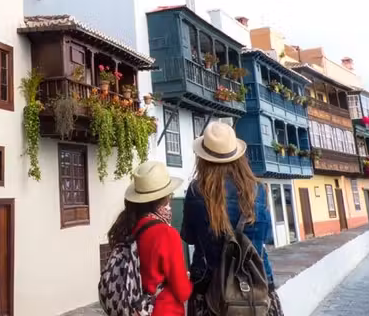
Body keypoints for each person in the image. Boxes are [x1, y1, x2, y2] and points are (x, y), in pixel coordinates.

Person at [181, 121, 284, 315]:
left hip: (210, 290)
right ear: (238, 157)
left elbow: (189, 237)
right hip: (257, 287)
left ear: (203, 158)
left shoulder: (196, 191)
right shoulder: (258, 190)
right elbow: (267, 236)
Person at [107, 160, 192, 316]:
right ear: (165, 198)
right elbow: (183, 292)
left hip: (137, 309)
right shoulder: (166, 234)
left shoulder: (129, 228)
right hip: (164, 310)